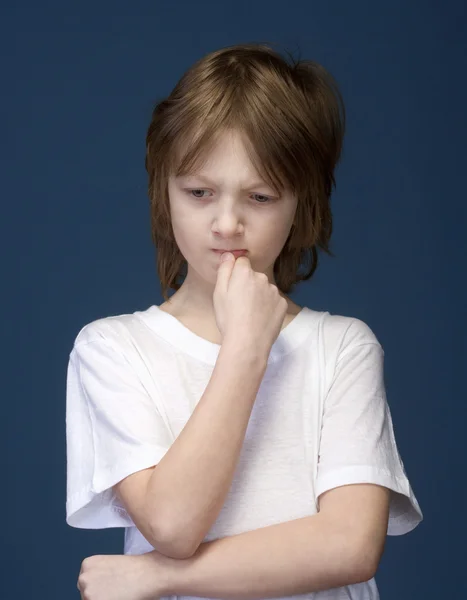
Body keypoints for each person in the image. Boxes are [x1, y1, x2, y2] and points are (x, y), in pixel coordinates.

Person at [67, 43, 423, 600]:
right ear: (164, 192)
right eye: (199, 192)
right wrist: (245, 350)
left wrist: (156, 575)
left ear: (301, 204)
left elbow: (350, 546)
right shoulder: (114, 348)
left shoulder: (342, 348)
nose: (226, 223)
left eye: (259, 196)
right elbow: (173, 524)